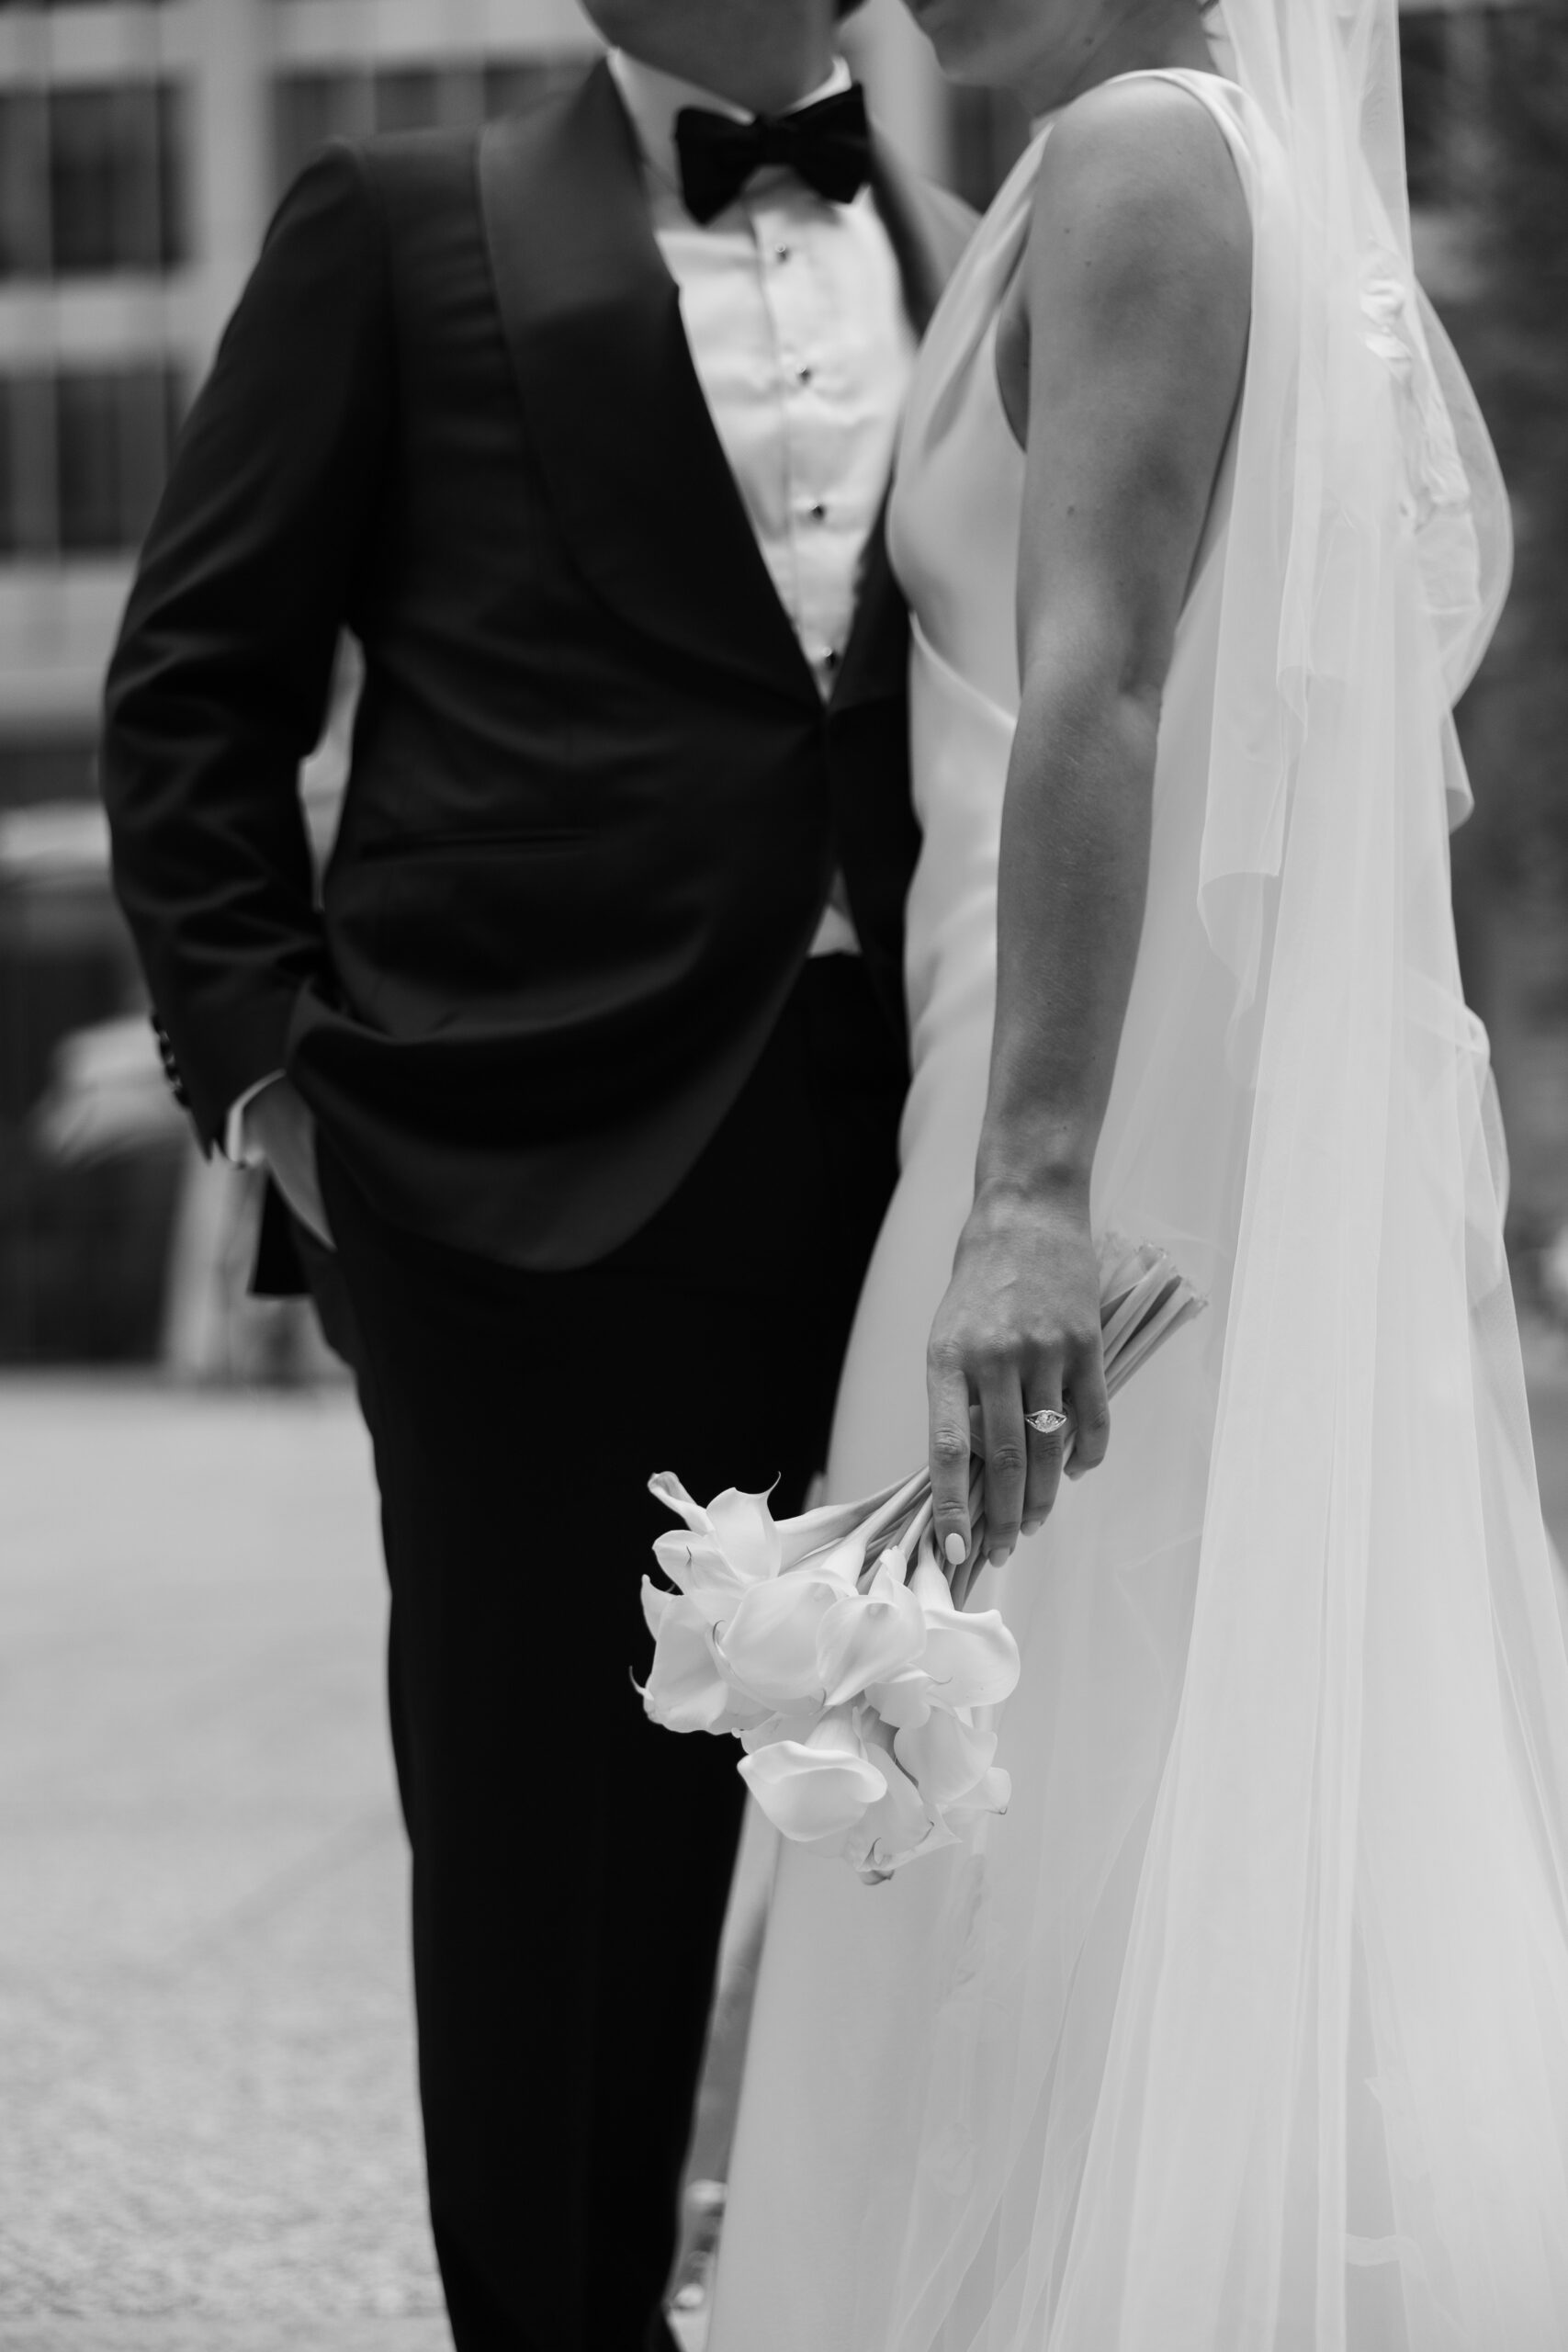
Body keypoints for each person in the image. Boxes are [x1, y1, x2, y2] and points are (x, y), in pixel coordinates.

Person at [97, 5, 972, 2345]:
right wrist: (274, 1083)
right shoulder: (394, 226)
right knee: (538, 1822)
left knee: (914, 1757)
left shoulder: (969, 237)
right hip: (501, 1148)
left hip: (907, 1124)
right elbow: (196, 680)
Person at [710, 0, 1568, 2345]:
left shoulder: (1135, 160)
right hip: (1127, 1109)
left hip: (1066, 1125)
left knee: (1031, 1786)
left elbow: (1093, 682)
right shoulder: (1246, 187)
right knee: (1097, 1791)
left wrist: (1026, 1196)